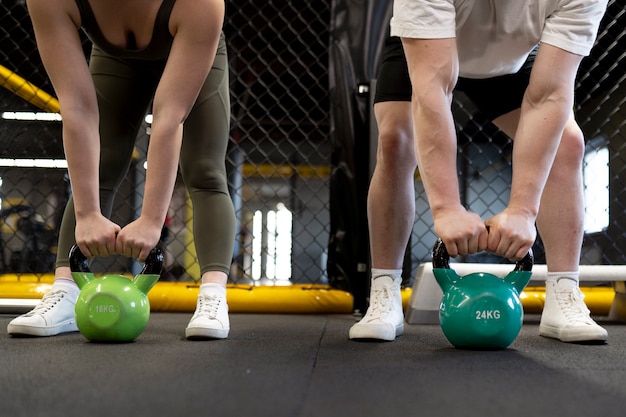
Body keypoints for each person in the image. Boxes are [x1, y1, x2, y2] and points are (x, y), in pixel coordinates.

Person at [349, 0, 609, 343]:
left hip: (512, 59)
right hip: (430, 47)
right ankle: (384, 291)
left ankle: (564, 292)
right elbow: (432, 87)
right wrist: (445, 209)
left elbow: (548, 96)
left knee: (567, 144)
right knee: (395, 140)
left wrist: (523, 210)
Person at [7, 0, 235, 340]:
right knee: (102, 165)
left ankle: (213, 295)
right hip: (113, 59)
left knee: (204, 170)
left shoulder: (201, 3)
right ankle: (66, 291)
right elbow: (77, 109)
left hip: (190, 49)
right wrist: (86, 214)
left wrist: (152, 221)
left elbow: (169, 116)